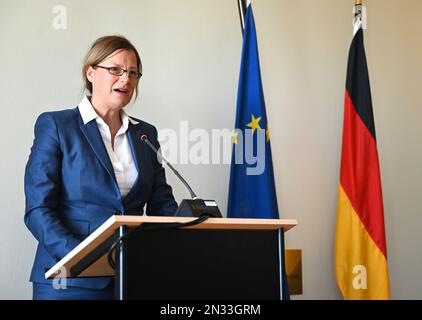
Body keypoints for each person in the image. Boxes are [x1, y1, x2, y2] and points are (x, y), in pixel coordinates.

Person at [24, 35, 178, 300]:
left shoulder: (146, 135)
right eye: (115, 69)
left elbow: (160, 204)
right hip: (69, 281)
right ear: (91, 72)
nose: (125, 79)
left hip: (132, 279)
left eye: (132, 73)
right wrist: (83, 257)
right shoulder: (57, 126)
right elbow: (38, 209)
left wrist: (193, 226)